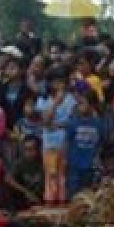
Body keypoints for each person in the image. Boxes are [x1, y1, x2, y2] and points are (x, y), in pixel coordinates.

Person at [35, 68, 76, 205]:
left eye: (61, 82)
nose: (59, 85)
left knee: (62, 175)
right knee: (50, 174)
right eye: (56, 82)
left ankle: (63, 202)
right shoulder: (43, 98)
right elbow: (45, 121)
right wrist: (55, 103)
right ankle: (49, 202)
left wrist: (58, 125)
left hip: (65, 142)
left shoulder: (71, 99)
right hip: (49, 143)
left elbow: (72, 121)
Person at [65, 93, 103, 197]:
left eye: (82, 103)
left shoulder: (98, 124)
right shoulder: (73, 123)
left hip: (90, 166)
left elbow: (100, 143)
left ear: (92, 106)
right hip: (75, 166)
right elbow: (67, 142)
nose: (79, 106)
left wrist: (97, 157)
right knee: (74, 195)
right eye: (78, 104)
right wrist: (66, 160)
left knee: (89, 195)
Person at [5, 135, 44, 209]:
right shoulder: (20, 163)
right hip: (25, 198)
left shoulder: (44, 162)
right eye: (26, 149)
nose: (28, 152)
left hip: (42, 198)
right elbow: (8, 179)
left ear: (38, 149)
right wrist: (26, 192)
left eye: (31, 149)